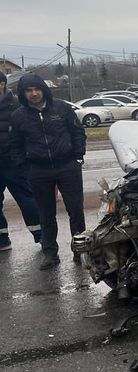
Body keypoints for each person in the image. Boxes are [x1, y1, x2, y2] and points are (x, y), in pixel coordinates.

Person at [10, 74, 87, 270]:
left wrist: (78, 156)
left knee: (76, 211)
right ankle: (50, 253)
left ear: (44, 89)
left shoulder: (61, 108)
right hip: (38, 170)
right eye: (28, 91)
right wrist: (25, 167)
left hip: (67, 166)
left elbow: (78, 132)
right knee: (45, 214)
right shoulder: (18, 116)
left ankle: (80, 250)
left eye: (37, 89)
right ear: (23, 93)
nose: (34, 94)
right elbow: (15, 144)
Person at [0, 73, 43, 251]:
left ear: (2, 84)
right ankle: (2, 240)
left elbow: (28, 133)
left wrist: (22, 158)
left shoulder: (16, 105)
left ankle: (42, 237)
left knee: (27, 200)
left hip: (13, 163)